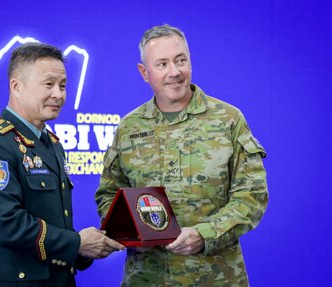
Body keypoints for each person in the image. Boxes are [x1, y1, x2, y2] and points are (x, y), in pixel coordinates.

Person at [95, 24, 268, 286]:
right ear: (144, 72)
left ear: (191, 62)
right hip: (146, 278)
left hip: (215, 278)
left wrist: (205, 234)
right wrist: (129, 232)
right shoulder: (129, 127)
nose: (174, 72)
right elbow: (109, 195)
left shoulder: (229, 120)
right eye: (162, 64)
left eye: (180, 60)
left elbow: (252, 197)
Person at [0, 42, 124, 287]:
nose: (58, 95)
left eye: (62, 86)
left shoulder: (51, 144)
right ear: (16, 86)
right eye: (48, 84)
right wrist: (77, 243)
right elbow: (7, 225)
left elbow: (55, 221)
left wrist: (85, 248)